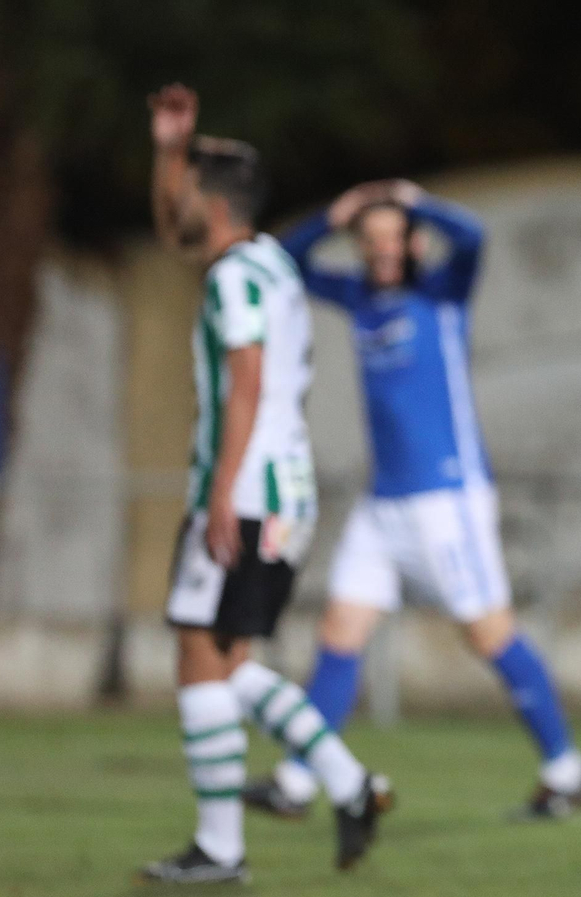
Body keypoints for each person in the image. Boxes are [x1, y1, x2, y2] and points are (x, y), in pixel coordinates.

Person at [241, 178, 581, 819]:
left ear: (409, 241)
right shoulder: (358, 297)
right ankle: (296, 783)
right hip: (384, 505)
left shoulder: (442, 292)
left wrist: (413, 200)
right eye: (367, 238)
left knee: (489, 633)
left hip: (447, 499)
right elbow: (284, 261)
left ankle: (565, 771)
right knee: (340, 633)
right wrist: (334, 212)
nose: (378, 249)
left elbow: (474, 236)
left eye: (390, 236)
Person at [139, 83, 392, 884]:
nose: (177, 199)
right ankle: (349, 785)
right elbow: (176, 229)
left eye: (185, 185)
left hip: (245, 494)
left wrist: (219, 491)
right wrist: (169, 151)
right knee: (227, 662)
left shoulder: (234, 280)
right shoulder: (268, 263)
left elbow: (245, 380)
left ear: (210, 202)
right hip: (278, 492)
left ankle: (222, 846)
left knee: (198, 654)